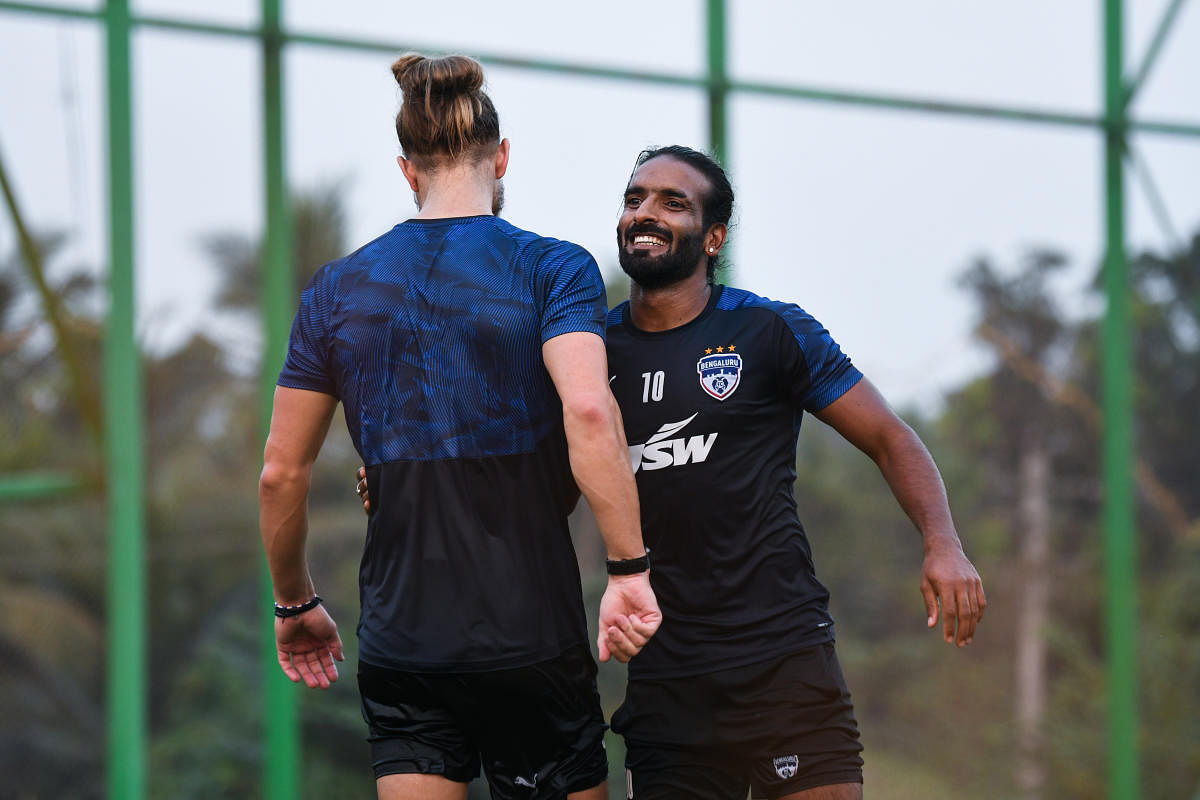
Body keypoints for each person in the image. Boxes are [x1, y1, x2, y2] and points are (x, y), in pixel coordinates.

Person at [258, 52, 660, 800]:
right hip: (529, 634)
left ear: (406, 170)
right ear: (501, 157)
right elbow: (586, 409)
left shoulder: (336, 290)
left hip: (403, 640)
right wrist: (628, 570)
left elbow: (281, 474)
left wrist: (295, 603)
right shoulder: (554, 269)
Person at [599, 145, 987, 800]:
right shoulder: (592, 352)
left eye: (673, 202)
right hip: (668, 675)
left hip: (782, 659)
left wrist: (943, 543)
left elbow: (891, 438)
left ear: (713, 237)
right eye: (635, 198)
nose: (645, 213)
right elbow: (518, 465)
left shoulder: (769, 331)